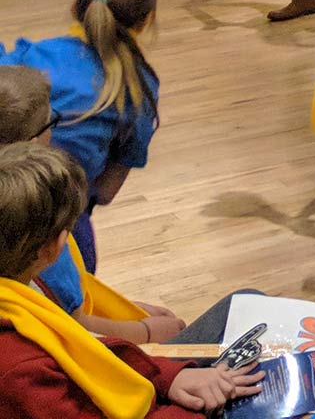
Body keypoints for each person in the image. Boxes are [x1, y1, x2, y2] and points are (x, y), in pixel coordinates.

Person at [0, 141, 265, 417]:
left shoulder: (22, 289)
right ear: (50, 249)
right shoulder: (20, 367)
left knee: (250, 303)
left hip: (139, 389)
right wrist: (199, 405)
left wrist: (169, 377)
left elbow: (93, 348)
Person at [2, 0, 162, 274]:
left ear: (75, 7)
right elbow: (106, 191)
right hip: (63, 224)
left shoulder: (33, 55)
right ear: (146, 21)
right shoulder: (137, 88)